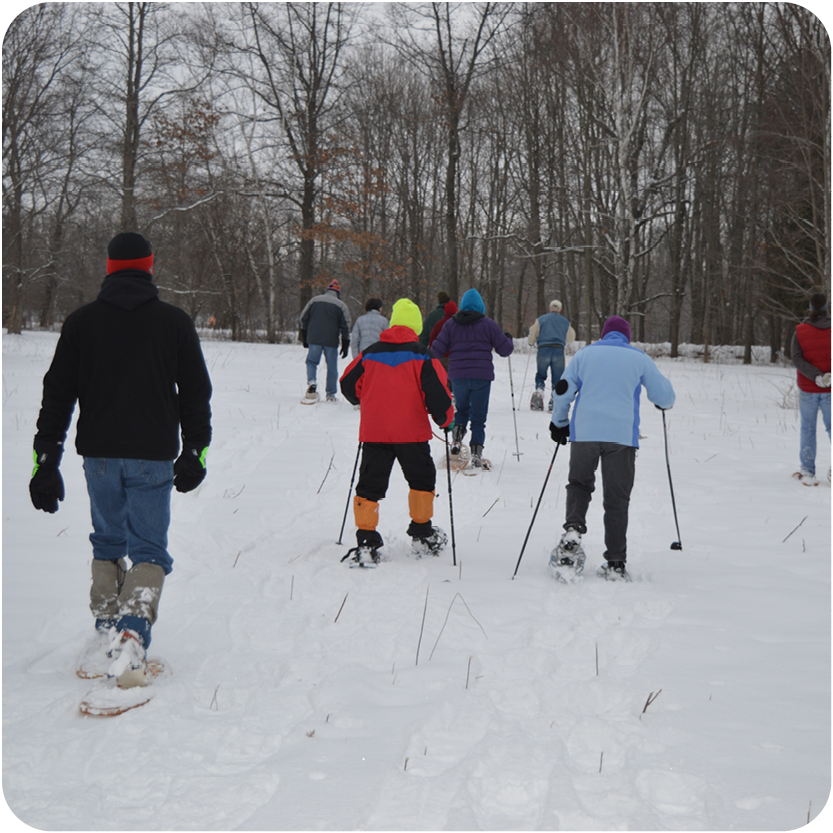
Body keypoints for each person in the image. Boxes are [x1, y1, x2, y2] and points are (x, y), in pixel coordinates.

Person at [29, 232, 213, 686]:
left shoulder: (81, 322)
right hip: (152, 455)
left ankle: (106, 628)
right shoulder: (173, 322)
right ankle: (132, 632)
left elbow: (57, 396)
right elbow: (195, 393)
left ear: (109, 268)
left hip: (100, 457)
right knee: (148, 548)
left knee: (108, 540)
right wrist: (195, 450)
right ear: (149, 267)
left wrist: (44, 462)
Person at [549, 315, 675, 581]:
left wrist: (560, 422)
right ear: (626, 337)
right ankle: (616, 562)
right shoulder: (638, 358)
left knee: (579, 484)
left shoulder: (584, 355)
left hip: (584, 433)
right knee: (617, 498)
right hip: (621, 437)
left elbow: (562, 389)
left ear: (604, 335)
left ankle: (573, 529)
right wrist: (664, 400)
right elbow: (663, 395)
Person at [339, 298, 454, 566]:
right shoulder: (423, 355)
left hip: (375, 432)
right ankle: (422, 533)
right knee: (422, 480)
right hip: (411, 434)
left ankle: (366, 540)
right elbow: (440, 395)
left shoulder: (370, 353)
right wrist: (444, 420)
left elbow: (347, 384)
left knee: (369, 485)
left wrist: (362, 397)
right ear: (415, 326)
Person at [430, 288, 514, 468]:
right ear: (480, 306)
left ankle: (457, 440)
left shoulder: (451, 325)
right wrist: (508, 339)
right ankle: (476, 453)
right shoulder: (488, 324)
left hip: (458, 375)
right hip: (481, 377)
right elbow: (504, 350)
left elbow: (436, 350)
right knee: (478, 416)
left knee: (461, 410)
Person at [791, 292, 831, 485]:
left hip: (808, 388)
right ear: (826, 308)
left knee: (808, 429)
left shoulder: (800, 331)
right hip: (831, 389)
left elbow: (797, 359)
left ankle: (807, 470)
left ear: (810, 308)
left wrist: (815, 377)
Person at [299, 279, 351, 403]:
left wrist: (305, 336)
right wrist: (345, 343)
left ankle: (312, 382)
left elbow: (303, 318)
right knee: (332, 367)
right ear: (338, 293)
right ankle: (331, 394)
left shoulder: (314, 301)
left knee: (312, 362)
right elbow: (346, 325)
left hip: (314, 338)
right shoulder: (341, 305)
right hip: (331, 340)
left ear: (327, 290)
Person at [527, 299, 576, 411]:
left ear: (550, 308)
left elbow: (533, 333)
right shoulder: (565, 322)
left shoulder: (541, 319)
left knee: (541, 374)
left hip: (543, 349)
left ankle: (539, 392)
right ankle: (555, 399)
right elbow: (571, 337)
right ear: (560, 309)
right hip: (558, 350)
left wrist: (531, 342)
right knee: (558, 377)